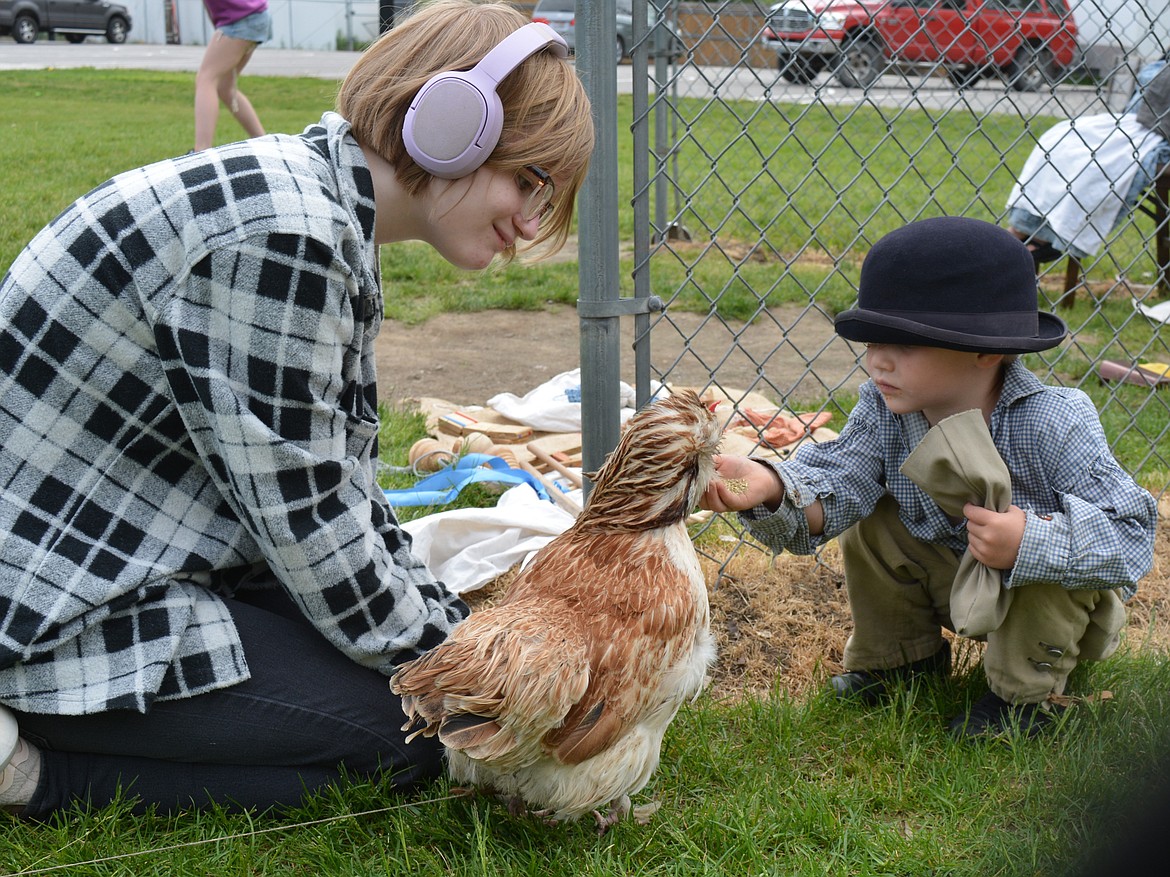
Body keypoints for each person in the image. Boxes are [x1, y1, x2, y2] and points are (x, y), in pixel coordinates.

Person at [0, 0, 593, 818]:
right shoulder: (289, 236)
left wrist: (455, 638)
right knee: (416, 740)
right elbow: (311, 527)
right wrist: (469, 682)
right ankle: (31, 770)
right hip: (56, 611)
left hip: (136, 552)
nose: (530, 224)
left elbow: (338, 488)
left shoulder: (320, 212)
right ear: (451, 121)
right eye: (528, 180)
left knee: (422, 700)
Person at [702, 217, 1157, 739]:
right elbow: (841, 477)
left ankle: (1027, 700)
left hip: (1049, 613)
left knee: (1048, 553)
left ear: (987, 349)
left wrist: (1031, 540)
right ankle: (901, 661)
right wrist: (769, 485)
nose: (877, 360)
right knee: (874, 517)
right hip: (953, 579)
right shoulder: (887, 409)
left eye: (906, 343)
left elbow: (1131, 533)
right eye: (872, 339)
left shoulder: (1055, 420)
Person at [1006, 56, 1170, 266]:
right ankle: (1027, 228)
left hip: (1155, 128)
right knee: (1064, 138)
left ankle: (1043, 236)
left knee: (1100, 163)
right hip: (1142, 120)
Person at [194, 0, 272, 151]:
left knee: (206, 79)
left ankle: (200, 151)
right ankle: (265, 145)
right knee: (225, 88)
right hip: (256, 17)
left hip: (240, 21)